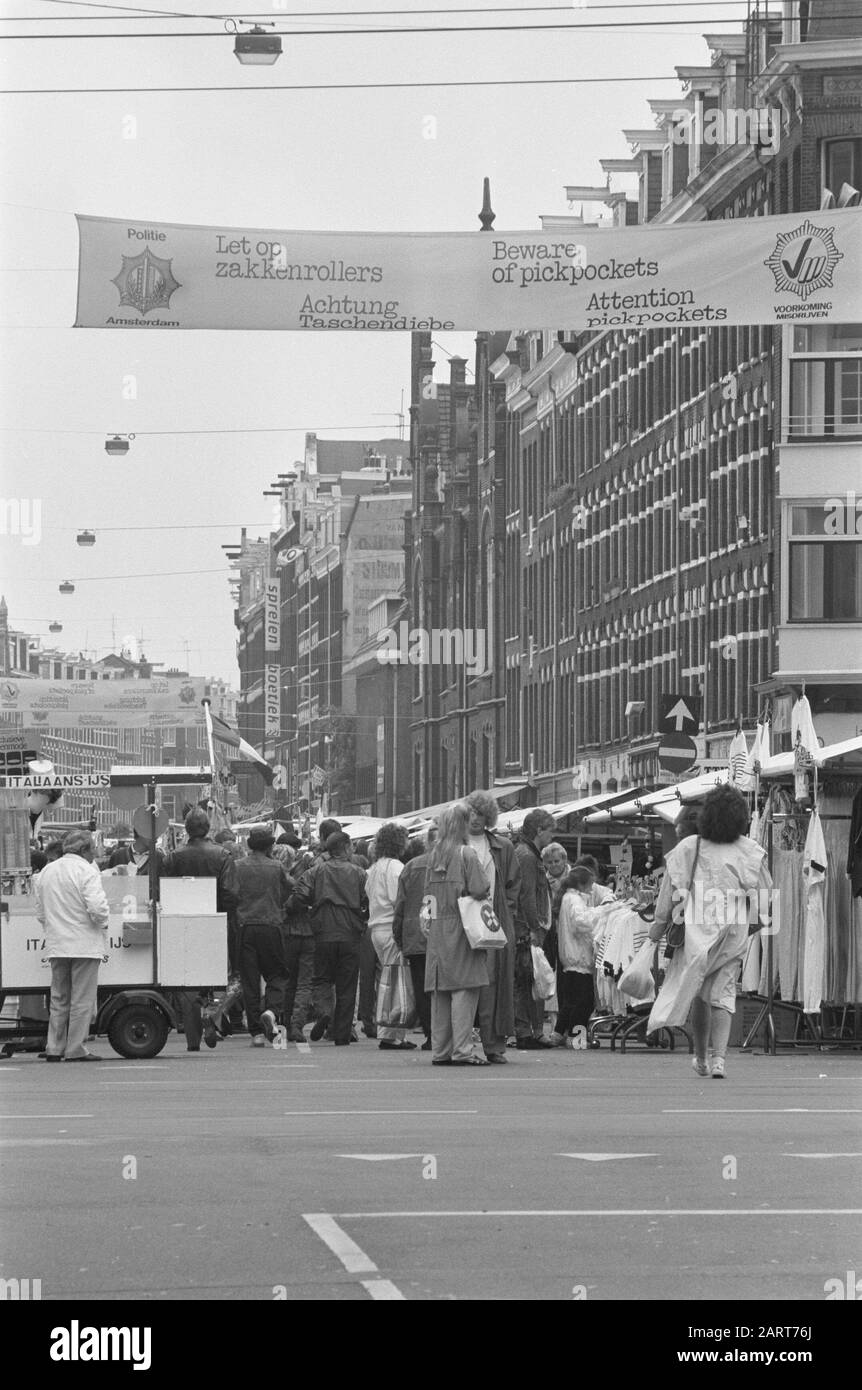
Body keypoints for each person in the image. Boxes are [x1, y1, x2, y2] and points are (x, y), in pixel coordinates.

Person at [647, 783, 773, 1080]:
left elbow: (669, 893)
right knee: (724, 992)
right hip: (732, 931)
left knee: (700, 994)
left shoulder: (689, 847)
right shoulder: (750, 851)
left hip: (696, 933)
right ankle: (719, 1060)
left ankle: (701, 1057)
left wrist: (657, 929)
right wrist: (754, 922)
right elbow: (766, 898)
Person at [164, 809, 239, 1052]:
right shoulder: (223, 855)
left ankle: (192, 1039)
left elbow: (165, 891)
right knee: (218, 975)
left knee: (187, 980)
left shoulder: (174, 857)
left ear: (186, 829)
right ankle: (213, 1013)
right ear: (208, 829)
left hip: (183, 922)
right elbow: (231, 894)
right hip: (215, 921)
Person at [424, 804, 492, 1067]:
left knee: (439, 992)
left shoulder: (434, 855)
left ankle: (440, 1050)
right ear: (463, 823)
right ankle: (463, 1050)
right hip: (463, 926)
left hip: (437, 927)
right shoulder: (466, 853)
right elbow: (479, 888)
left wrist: (429, 920)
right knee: (464, 990)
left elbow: (427, 897)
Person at [34, 829, 110, 1062]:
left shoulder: (47, 871)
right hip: (84, 943)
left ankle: (54, 1046)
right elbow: (97, 909)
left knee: (59, 998)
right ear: (84, 849)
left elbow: (40, 912)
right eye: (92, 850)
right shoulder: (86, 871)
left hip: (58, 944)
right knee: (82, 1000)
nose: (95, 854)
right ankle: (75, 1047)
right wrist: (104, 923)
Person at [288, 831, 368, 1046]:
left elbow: (298, 897)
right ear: (347, 847)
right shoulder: (359, 873)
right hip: (350, 932)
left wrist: (307, 910)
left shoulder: (315, 871)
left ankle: (325, 1011)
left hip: (323, 931)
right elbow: (367, 900)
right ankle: (341, 1033)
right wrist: (361, 919)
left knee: (321, 978)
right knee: (347, 984)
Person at [463, 791, 521, 1064]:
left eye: (481, 814)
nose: (476, 819)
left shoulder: (502, 846)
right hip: (462, 920)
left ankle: (493, 1044)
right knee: (462, 984)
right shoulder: (454, 844)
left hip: (491, 922)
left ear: (489, 817)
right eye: (472, 813)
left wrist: (505, 913)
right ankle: (460, 1044)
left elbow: (512, 885)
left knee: (492, 984)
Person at [232, 826, 293, 1048]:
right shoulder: (276, 867)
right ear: (269, 845)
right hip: (271, 925)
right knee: (277, 974)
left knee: (249, 979)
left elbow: (232, 893)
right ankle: (271, 1011)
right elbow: (290, 890)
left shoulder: (238, 867)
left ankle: (256, 1033)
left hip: (245, 926)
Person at [366, 822, 413, 1051]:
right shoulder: (395, 867)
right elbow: (399, 900)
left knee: (387, 981)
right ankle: (390, 1033)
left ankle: (394, 1033)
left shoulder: (374, 868)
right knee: (396, 982)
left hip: (376, 928)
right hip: (391, 929)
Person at [512, 809, 556, 1049]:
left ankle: (530, 1031)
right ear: (539, 829)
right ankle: (524, 1032)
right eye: (550, 831)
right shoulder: (527, 856)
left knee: (530, 978)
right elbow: (527, 894)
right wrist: (534, 927)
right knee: (526, 978)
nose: (552, 836)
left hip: (529, 925)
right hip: (527, 928)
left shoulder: (528, 853)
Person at [392, 830, 436, 1050]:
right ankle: (443, 1033)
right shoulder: (453, 863)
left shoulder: (411, 866)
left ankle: (431, 1034)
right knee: (443, 987)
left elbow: (400, 904)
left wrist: (399, 934)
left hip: (415, 935)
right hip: (441, 936)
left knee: (422, 987)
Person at [549, 865, 597, 1046]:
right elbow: (581, 922)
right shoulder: (575, 900)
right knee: (584, 1002)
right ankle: (577, 1039)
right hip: (579, 957)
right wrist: (600, 915)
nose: (592, 889)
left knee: (570, 1001)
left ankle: (558, 1033)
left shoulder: (567, 898)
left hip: (570, 958)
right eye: (590, 885)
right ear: (582, 884)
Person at [541, 841, 570, 969]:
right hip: (551, 932)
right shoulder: (542, 880)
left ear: (564, 860)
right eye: (549, 862)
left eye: (556, 861)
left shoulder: (576, 877)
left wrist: (562, 889)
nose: (553, 865)